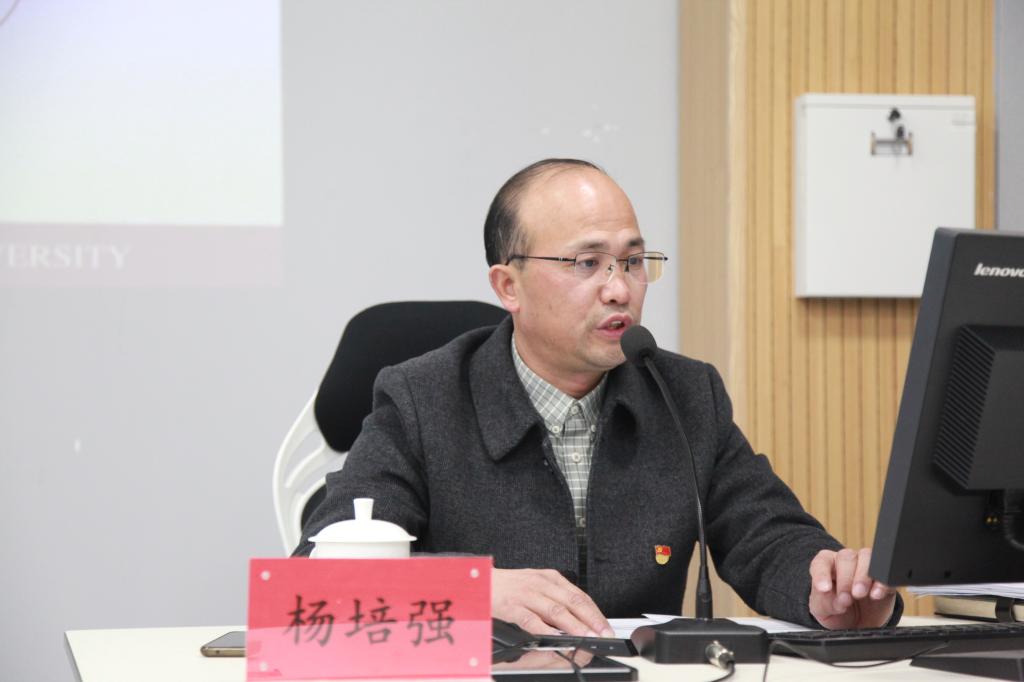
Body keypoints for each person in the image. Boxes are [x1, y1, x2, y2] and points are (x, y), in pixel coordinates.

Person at [295, 158, 899, 637]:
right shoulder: (423, 400)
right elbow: (316, 579)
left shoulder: (684, 395)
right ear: (508, 286)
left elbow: (767, 537)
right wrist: (473, 590)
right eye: (588, 263)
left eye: (633, 262)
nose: (620, 290)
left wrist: (829, 588)